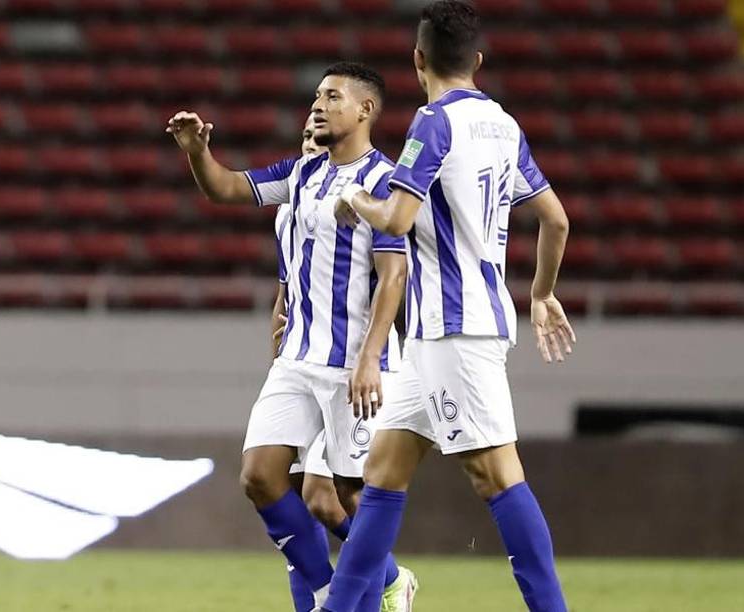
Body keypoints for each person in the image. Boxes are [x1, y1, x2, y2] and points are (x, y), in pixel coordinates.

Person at [322, 3, 575, 611]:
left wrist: (356, 196)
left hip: (454, 330)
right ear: (478, 61)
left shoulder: (433, 123)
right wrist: (540, 294)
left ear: (417, 60)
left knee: (496, 475)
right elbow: (556, 219)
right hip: (443, 334)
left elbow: (398, 217)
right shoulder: (504, 125)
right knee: (383, 470)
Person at [167, 61, 416, 612]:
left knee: (347, 499)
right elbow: (228, 188)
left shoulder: (382, 182)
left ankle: (376, 592)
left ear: (365, 110)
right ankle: (330, 592)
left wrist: (371, 358)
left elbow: (393, 274)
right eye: (316, 97)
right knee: (259, 474)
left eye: (332, 97)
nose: (317, 105)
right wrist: (196, 153)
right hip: (296, 359)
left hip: (355, 365)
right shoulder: (302, 174)